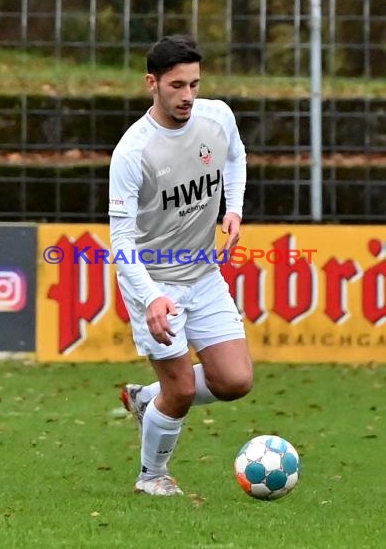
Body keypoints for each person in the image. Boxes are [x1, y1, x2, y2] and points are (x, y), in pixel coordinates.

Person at [109, 34, 253, 496]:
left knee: (234, 381)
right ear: (152, 83)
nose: (188, 95)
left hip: (203, 273)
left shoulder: (217, 116)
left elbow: (236, 157)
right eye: (177, 86)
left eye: (194, 84)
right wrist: (151, 297)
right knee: (183, 390)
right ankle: (152, 477)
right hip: (152, 281)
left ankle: (145, 399)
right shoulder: (133, 151)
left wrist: (233, 208)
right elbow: (120, 241)